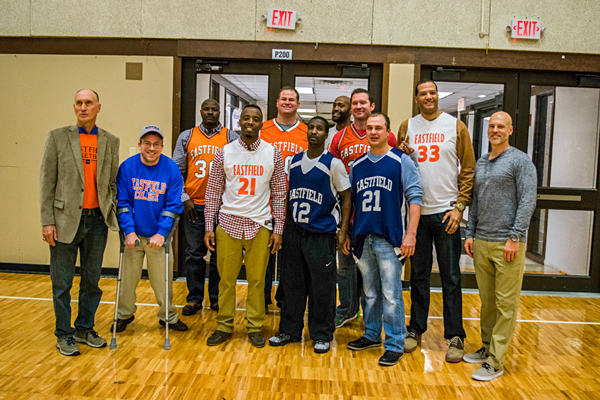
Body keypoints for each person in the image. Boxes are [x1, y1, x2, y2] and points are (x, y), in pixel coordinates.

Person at [397, 79, 476, 362]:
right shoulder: (407, 126)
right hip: (417, 214)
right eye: (423, 93)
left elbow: (468, 169)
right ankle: (415, 328)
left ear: (437, 96)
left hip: (447, 214)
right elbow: (401, 166)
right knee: (417, 276)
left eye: (432, 93)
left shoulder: (455, 126)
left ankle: (455, 335)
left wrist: (460, 206)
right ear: (416, 97)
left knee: (451, 277)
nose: (428, 97)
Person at [40, 89, 120, 356]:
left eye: (88, 103)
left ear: (98, 107)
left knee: (91, 281)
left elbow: (111, 182)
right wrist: (47, 221)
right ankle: (64, 334)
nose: (83, 107)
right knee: (62, 283)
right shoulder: (58, 137)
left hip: (97, 221)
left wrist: (112, 209)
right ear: (74, 107)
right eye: (79, 103)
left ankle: (85, 328)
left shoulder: (111, 140)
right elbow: (47, 182)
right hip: (64, 221)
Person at [204, 104, 286, 348]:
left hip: (260, 224)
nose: (250, 122)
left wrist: (278, 228)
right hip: (228, 221)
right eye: (246, 118)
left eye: (256, 119)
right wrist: (210, 225)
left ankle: (254, 326)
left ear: (262, 123)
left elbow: (280, 193)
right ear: (239, 122)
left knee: (258, 281)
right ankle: (224, 325)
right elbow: (213, 192)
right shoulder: (224, 152)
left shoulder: (273, 153)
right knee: (225, 279)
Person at [463, 111, 537, 381]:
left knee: (506, 305)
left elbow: (527, 200)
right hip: (481, 241)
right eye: (492, 126)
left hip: (508, 244)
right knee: (488, 302)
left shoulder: (520, 161)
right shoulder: (482, 162)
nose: (495, 130)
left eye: (500, 126)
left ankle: (496, 362)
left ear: (510, 130)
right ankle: (485, 348)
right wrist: (469, 233)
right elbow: (477, 201)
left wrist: (515, 237)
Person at [268, 116, 351, 354]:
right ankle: (289, 331)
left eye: (320, 129)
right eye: (311, 128)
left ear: (327, 135)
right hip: (295, 231)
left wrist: (343, 230)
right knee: (292, 283)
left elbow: (346, 196)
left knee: (321, 287)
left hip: (321, 233)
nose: (314, 132)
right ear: (307, 132)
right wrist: (282, 228)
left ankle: (322, 334)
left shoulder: (333, 164)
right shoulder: (293, 161)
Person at [347, 113, 422, 367]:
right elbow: (352, 203)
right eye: (369, 128)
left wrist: (410, 234)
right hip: (363, 237)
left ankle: (394, 343)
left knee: (391, 295)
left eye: (378, 128)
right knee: (369, 292)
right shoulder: (357, 165)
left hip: (390, 239)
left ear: (388, 131)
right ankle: (371, 334)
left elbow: (415, 199)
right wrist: (348, 233)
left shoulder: (401, 161)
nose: (373, 132)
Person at [329, 88, 398, 329]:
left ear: (372, 106)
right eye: (354, 103)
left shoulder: (385, 136)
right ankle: (346, 309)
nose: (358, 107)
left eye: (363, 103)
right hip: (349, 212)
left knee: (373, 270)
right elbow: (332, 172)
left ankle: (373, 315)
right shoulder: (339, 138)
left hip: (376, 214)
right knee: (346, 266)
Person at [113, 125, 187, 333]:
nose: (151, 148)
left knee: (163, 281)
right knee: (127, 280)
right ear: (139, 145)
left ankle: (168, 317)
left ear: (162, 147)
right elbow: (122, 202)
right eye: (147, 143)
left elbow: (173, 205)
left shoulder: (171, 169)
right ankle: (124, 314)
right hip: (132, 236)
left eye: (156, 144)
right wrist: (128, 231)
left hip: (158, 237)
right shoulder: (127, 167)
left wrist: (161, 233)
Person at [173, 99, 238, 316]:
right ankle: (194, 299)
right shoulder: (187, 136)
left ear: (220, 112)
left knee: (221, 256)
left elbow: (238, 171)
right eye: (207, 109)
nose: (210, 112)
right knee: (194, 254)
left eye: (215, 109)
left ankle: (217, 299)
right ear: (201, 111)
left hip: (222, 208)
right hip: (194, 206)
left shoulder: (230, 137)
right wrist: (184, 198)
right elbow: (176, 172)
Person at [259, 86, 308, 309]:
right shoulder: (263, 129)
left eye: (292, 100)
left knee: (290, 256)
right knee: (264, 255)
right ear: (277, 103)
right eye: (284, 99)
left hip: (295, 204)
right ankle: (262, 297)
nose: (287, 102)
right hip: (264, 202)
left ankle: (284, 298)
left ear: (298, 105)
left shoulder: (307, 132)